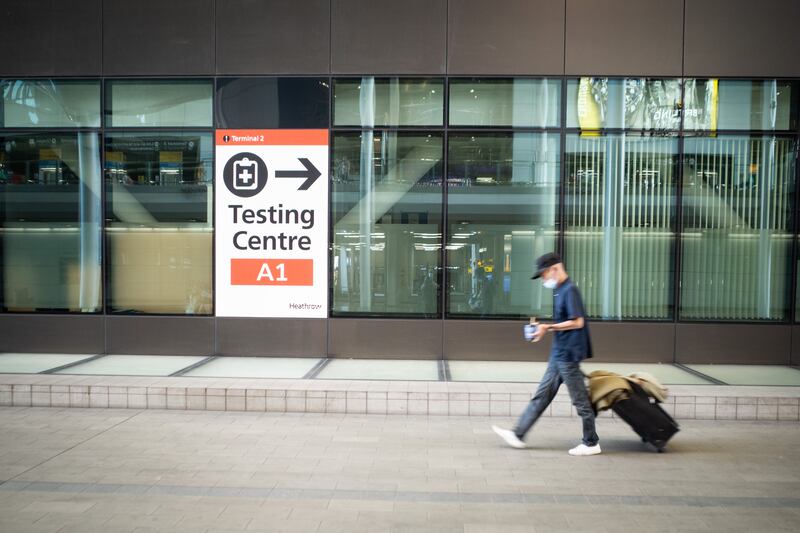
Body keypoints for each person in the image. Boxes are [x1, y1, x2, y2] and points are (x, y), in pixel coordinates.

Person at [492, 252, 600, 456]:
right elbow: (563, 322)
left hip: (568, 356)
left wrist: (547, 328)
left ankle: (591, 442)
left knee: (580, 400)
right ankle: (518, 434)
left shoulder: (570, 290)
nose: (543, 279)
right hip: (559, 354)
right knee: (542, 396)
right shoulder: (560, 290)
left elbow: (578, 322)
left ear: (554, 269)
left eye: (543, 274)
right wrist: (542, 328)